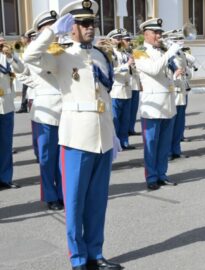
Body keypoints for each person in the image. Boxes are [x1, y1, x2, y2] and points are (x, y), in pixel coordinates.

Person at [23, 1, 124, 269]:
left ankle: (95, 253)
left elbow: (104, 97)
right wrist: (51, 32)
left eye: (92, 23)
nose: (90, 28)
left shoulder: (102, 56)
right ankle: (78, 259)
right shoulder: (61, 55)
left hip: (101, 138)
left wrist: (112, 133)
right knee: (75, 202)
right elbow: (29, 57)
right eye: (83, 24)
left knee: (97, 203)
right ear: (72, 29)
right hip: (77, 139)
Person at [133, 18, 181, 190]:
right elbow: (153, 70)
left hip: (168, 103)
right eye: (155, 32)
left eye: (160, 32)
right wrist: (170, 53)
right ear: (145, 34)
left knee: (164, 144)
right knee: (151, 144)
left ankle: (162, 174)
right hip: (152, 105)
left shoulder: (163, 51)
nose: (159, 35)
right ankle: (151, 177)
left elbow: (168, 74)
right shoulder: (139, 52)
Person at [28, 10, 65, 210]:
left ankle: (62, 193)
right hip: (46, 114)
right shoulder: (36, 52)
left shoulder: (62, 49)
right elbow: (35, 59)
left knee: (62, 158)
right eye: (50, 28)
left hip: (66, 112)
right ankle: (50, 196)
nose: (55, 31)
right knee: (47, 158)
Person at [0, 35, 25, 190]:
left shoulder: (7, 55)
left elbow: (21, 69)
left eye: (2, 40)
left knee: (6, 145)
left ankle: (5, 178)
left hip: (7, 106)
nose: (2, 43)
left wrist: (11, 55)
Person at [107, 28, 135, 150]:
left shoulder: (125, 53)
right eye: (116, 38)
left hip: (127, 89)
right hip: (116, 90)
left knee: (125, 118)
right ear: (111, 40)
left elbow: (132, 71)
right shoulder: (109, 54)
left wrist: (133, 66)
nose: (119, 40)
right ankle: (115, 143)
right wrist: (126, 66)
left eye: (120, 38)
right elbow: (112, 71)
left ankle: (124, 141)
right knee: (115, 119)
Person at [165, 29, 191, 160]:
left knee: (180, 124)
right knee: (171, 125)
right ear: (170, 41)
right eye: (176, 40)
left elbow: (188, 72)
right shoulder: (167, 55)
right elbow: (164, 75)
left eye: (180, 39)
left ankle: (176, 150)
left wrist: (186, 73)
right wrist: (175, 75)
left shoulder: (181, 54)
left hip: (182, 92)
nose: (179, 42)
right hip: (173, 92)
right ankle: (168, 151)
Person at [123, 32, 142, 136]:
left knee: (134, 109)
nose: (129, 42)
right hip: (127, 83)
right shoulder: (121, 52)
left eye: (129, 40)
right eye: (126, 40)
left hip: (135, 83)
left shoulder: (134, 51)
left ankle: (131, 128)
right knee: (127, 110)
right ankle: (125, 130)